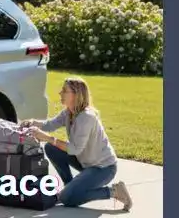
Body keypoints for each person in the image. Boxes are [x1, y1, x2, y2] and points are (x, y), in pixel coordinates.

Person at [21, 77, 134, 211]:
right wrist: (32, 122)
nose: (60, 93)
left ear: (76, 94)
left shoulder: (87, 117)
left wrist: (47, 137)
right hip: (85, 162)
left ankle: (114, 192)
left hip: (103, 169)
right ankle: (70, 186)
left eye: (64, 91)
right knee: (51, 148)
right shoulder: (69, 112)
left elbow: (74, 149)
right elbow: (50, 125)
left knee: (67, 199)